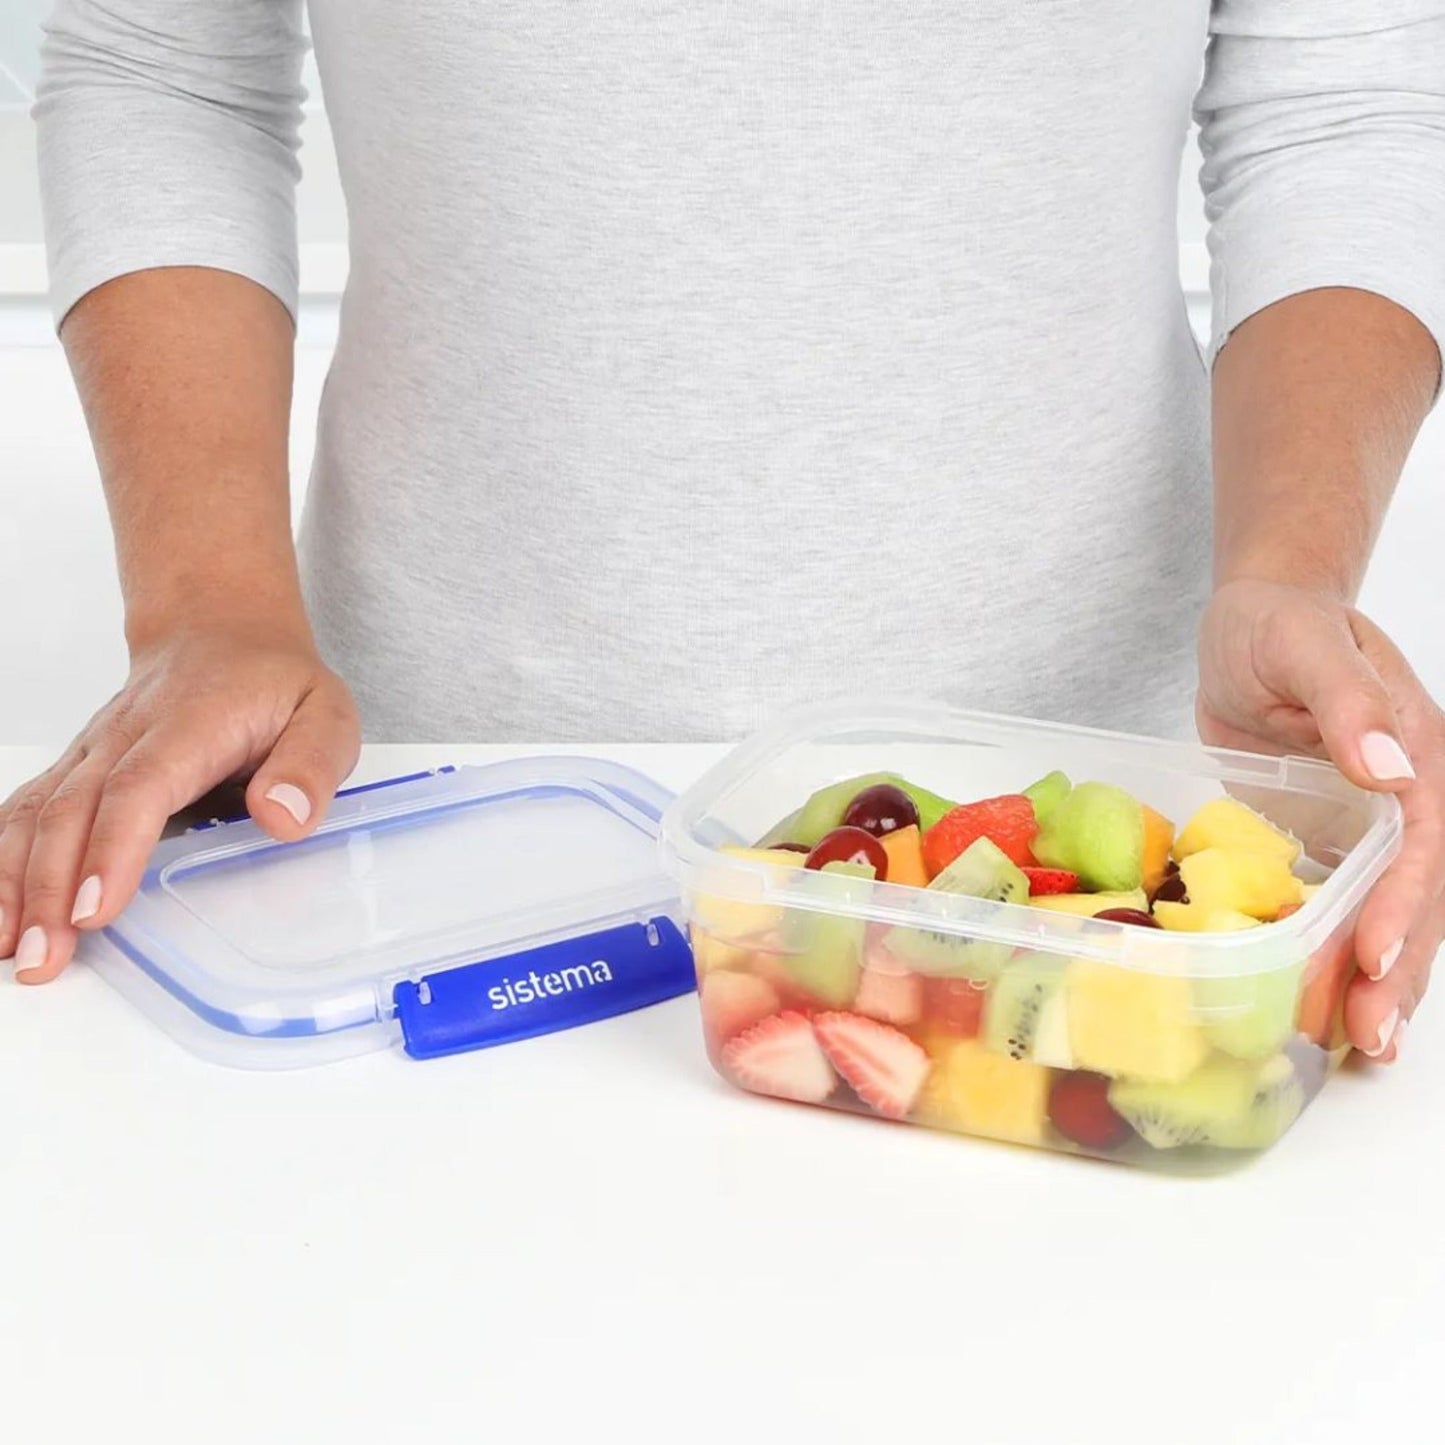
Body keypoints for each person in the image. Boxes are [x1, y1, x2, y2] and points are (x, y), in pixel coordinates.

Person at [3, 4, 1442, 1065]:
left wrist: (1292, 569)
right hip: (426, 818)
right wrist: (209, 606)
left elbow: (1334, 94)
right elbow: (166, 63)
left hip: (1102, 836)